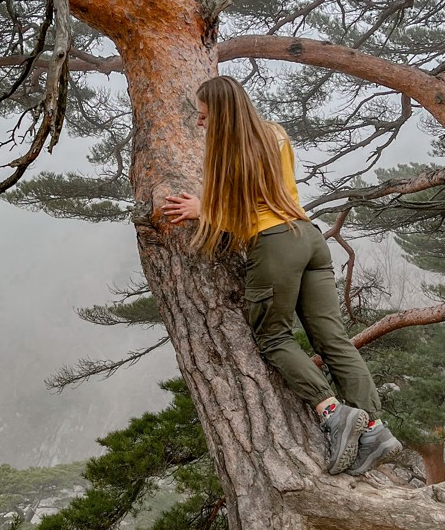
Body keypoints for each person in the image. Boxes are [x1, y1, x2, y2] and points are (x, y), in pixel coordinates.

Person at [162, 75, 401, 476]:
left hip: (274, 244)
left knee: (272, 336)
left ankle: (332, 413)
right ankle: (374, 429)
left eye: (203, 116)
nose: (199, 123)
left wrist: (202, 209)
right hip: (309, 236)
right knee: (333, 339)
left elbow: (239, 214)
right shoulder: (275, 133)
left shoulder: (227, 152)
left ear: (219, 113)